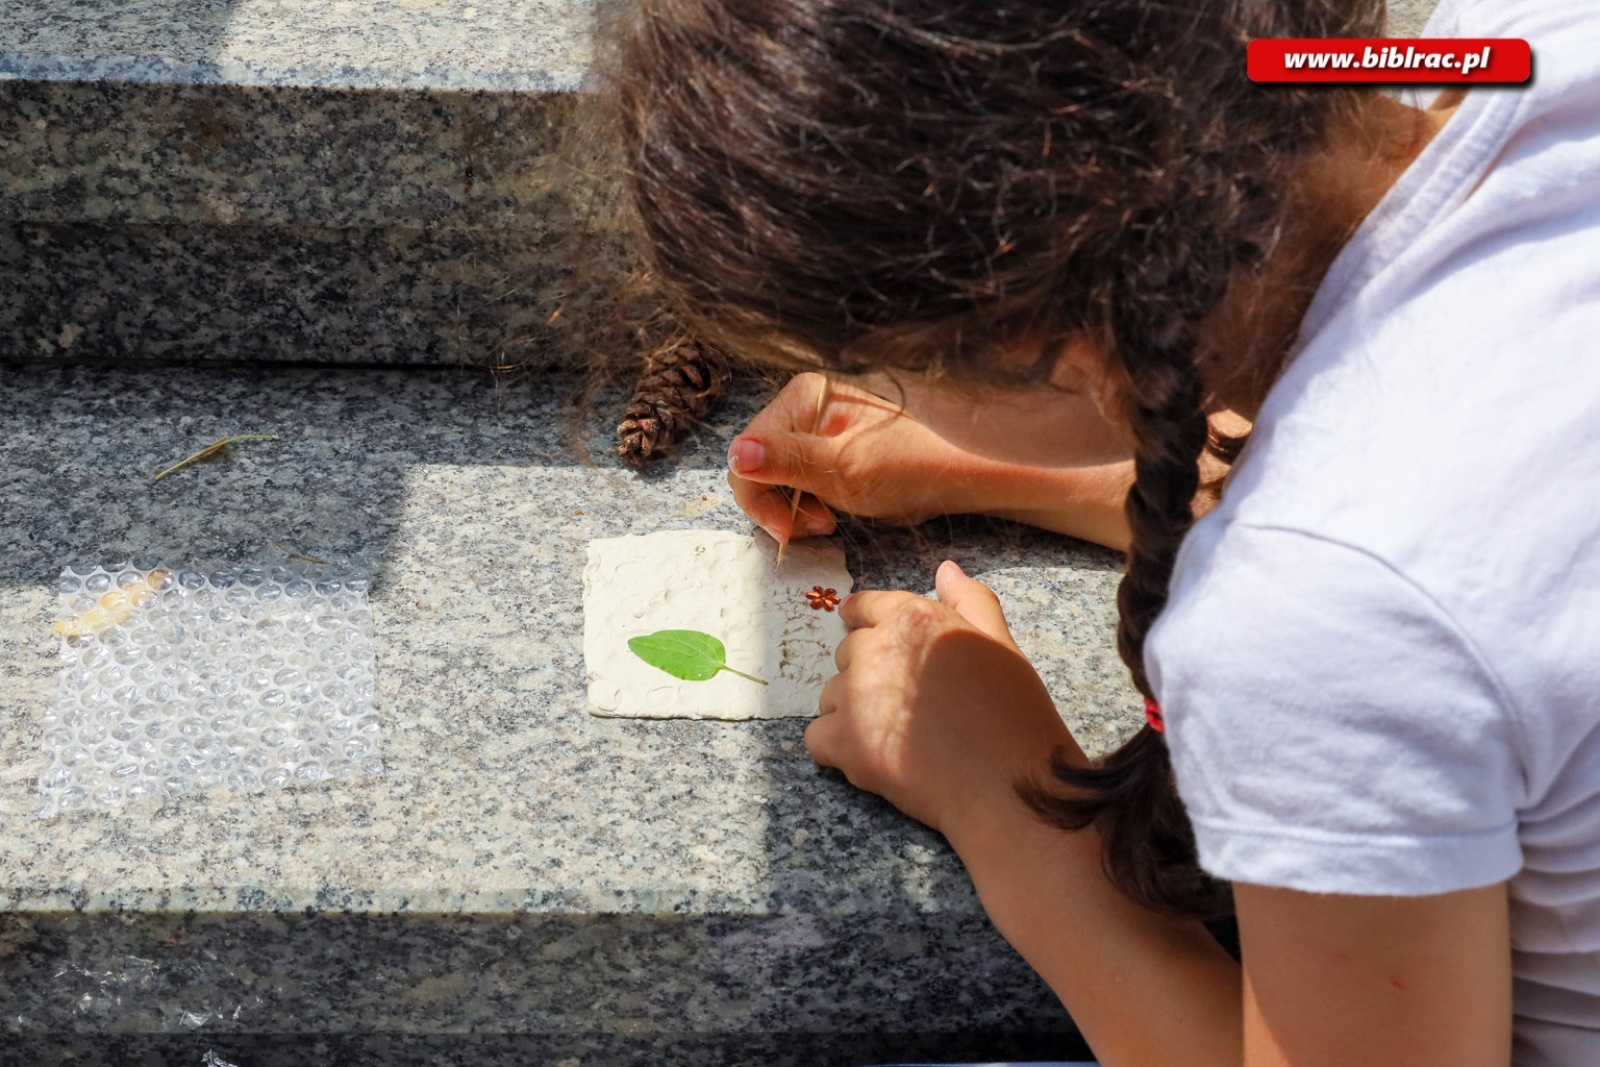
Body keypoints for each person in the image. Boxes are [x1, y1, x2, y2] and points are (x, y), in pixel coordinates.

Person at [598, 0, 1600, 1062]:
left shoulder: (1323, 618)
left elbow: (1383, 594)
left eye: (892, 369)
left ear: (1040, 341)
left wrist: (1007, 807)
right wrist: (1010, 461)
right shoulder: (1503, 45)